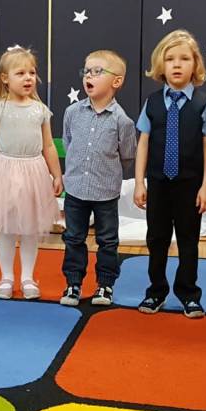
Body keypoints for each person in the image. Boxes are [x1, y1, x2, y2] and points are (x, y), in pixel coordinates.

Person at [134, 30, 206, 318]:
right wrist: (139, 182)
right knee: (156, 239)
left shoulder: (203, 103)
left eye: (184, 59)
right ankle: (156, 291)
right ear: (161, 64)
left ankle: (189, 293)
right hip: (159, 184)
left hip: (189, 185)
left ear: (195, 65)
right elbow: (143, 142)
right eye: (170, 59)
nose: (177, 64)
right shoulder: (152, 102)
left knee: (188, 240)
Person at [0, 48, 62, 300]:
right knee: (7, 228)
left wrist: (57, 174)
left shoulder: (40, 110)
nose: (28, 78)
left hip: (34, 171)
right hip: (5, 171)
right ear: (5, 78)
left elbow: (48, 146)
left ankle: (27, 277)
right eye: (21, 73)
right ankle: (6, 277)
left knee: (29, 228)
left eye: (32, 73)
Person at [59, 50, 136, 307]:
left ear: (117, 81)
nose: (88, 76)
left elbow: (127, 155)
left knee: (107, 240)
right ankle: (73, 283)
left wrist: (105, 173)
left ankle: (105, 284)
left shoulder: (122, 121)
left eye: (97, 71)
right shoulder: (72, 112)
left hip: (105, 193)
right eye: (86, 71)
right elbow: (69, 142)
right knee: (73, 237)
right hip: (75, 190)